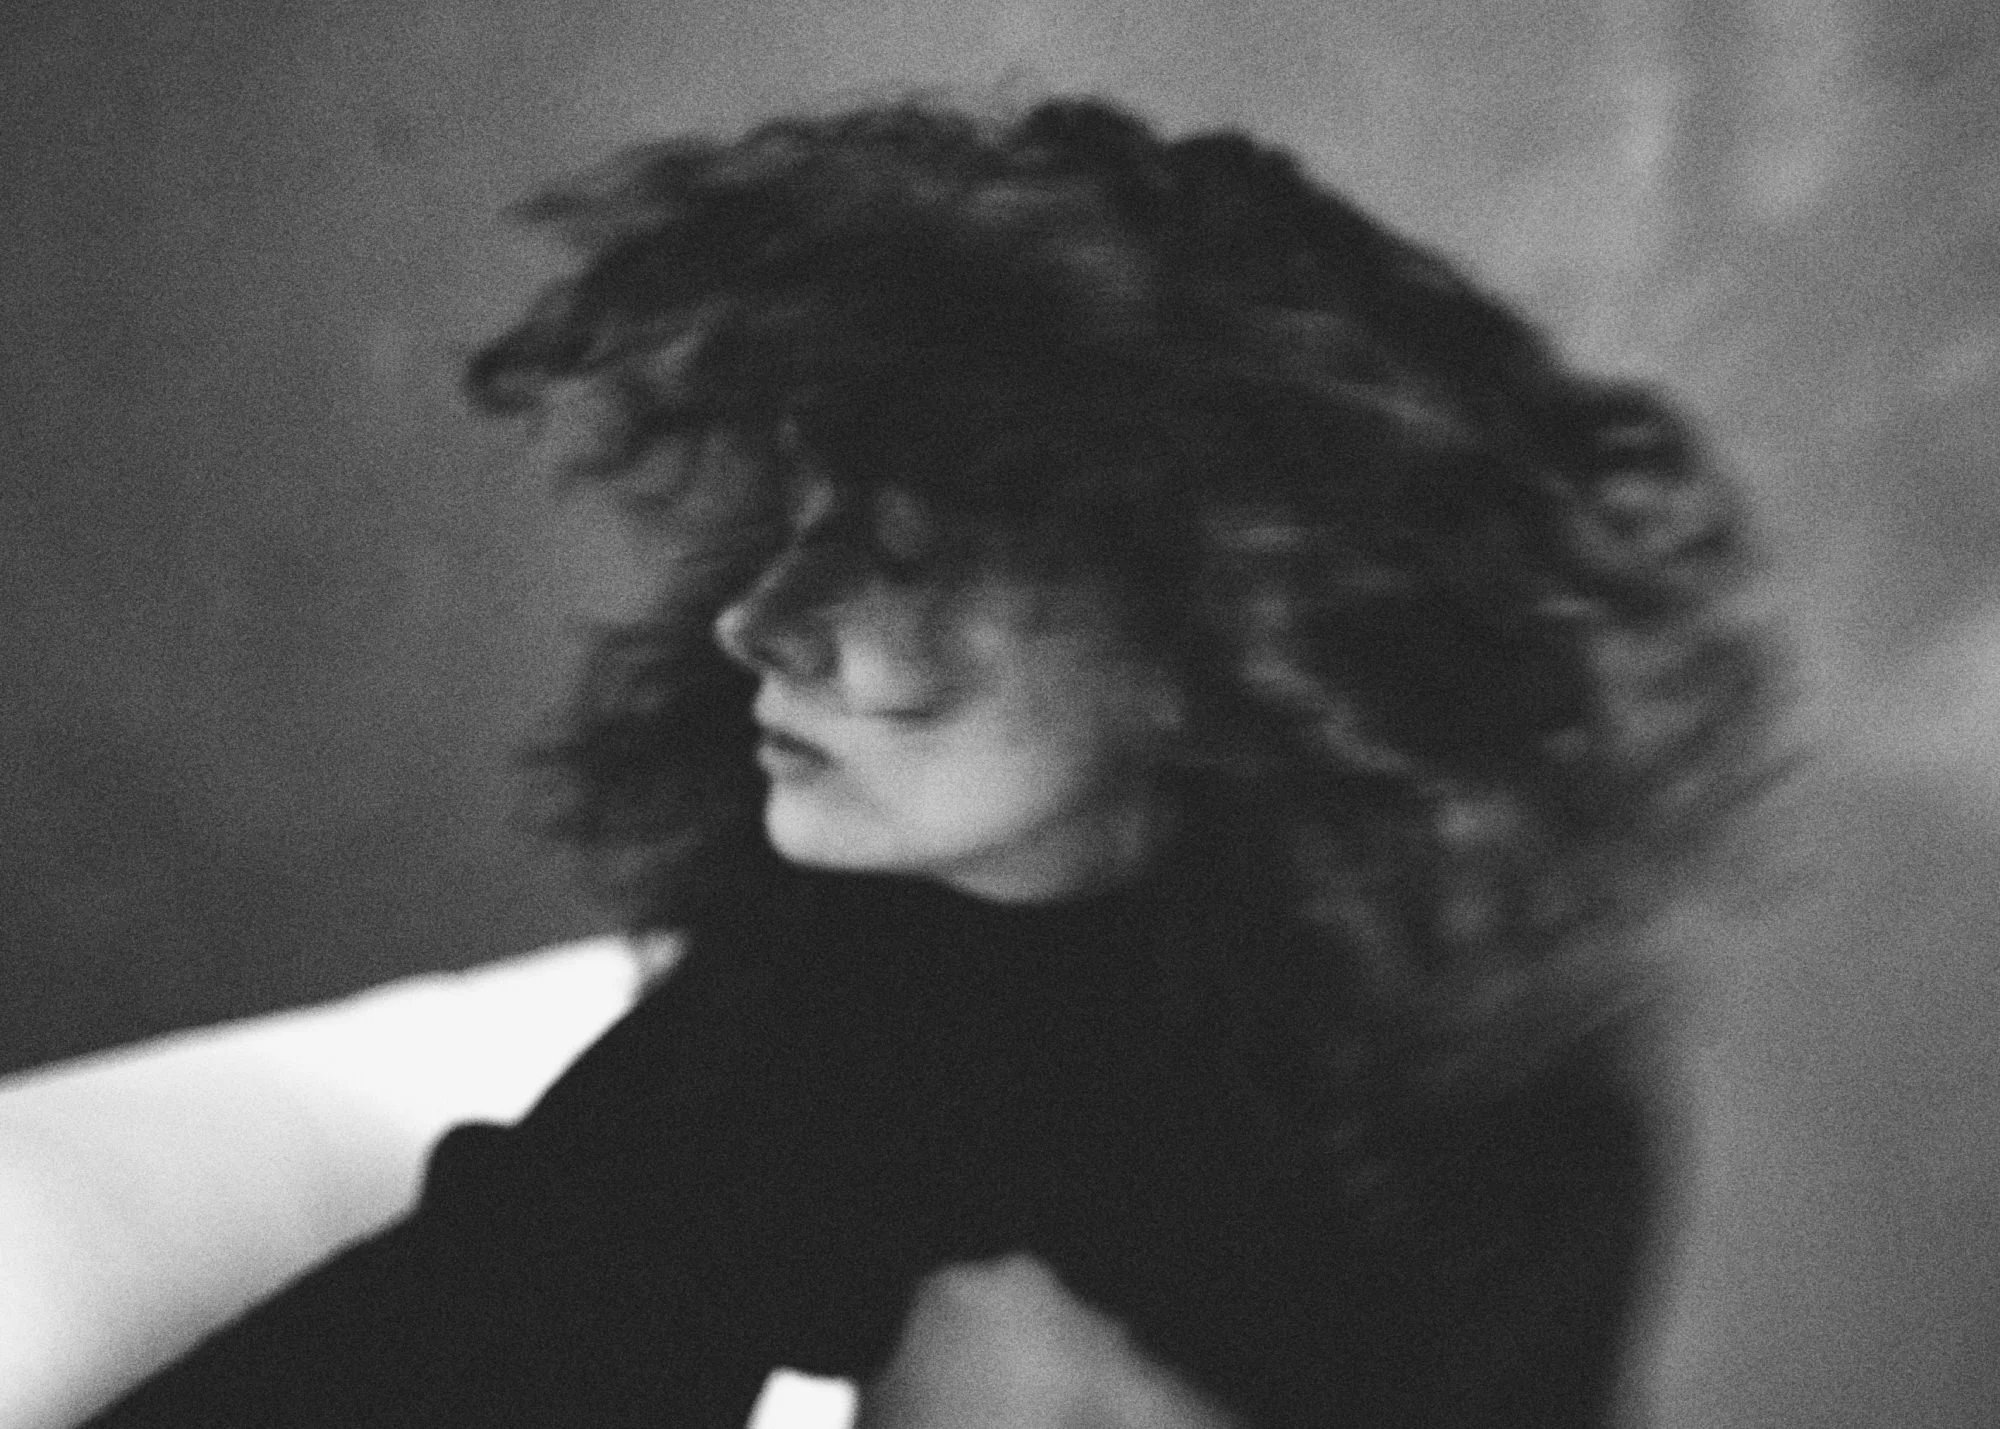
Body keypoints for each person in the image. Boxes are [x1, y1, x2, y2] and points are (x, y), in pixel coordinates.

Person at [83, 94, 1777, 1428]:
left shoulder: (1500, 1129)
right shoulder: (864, 976)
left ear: (1218, 631)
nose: (755, 619)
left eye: (903, 553)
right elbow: (463, 1348)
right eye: (803, 519)